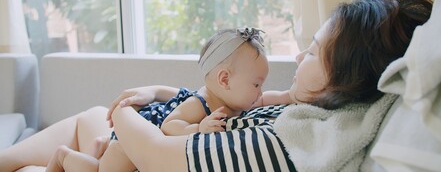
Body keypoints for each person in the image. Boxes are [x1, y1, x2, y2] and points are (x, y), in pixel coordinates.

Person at [0, 0, 432, 172]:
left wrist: (128, 113)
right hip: (144, 143)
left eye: (314, 50)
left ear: (345, 75)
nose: (299, 57)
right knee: (90, 118)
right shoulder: (304, 111)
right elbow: (198, 97)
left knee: (97, 120)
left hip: (144, 153)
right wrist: (155, 93)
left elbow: (154, 151)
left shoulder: (293, 139)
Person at [45, 28, 294, 172]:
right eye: (256, 84)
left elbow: (267, 100)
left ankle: (98, 145)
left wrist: (289, 96)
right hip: (133, 138)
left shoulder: (239, 100)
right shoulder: (200, 105)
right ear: (225, 79)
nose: (261, 92)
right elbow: (170, 126)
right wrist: (199, 128)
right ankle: (64, 156)